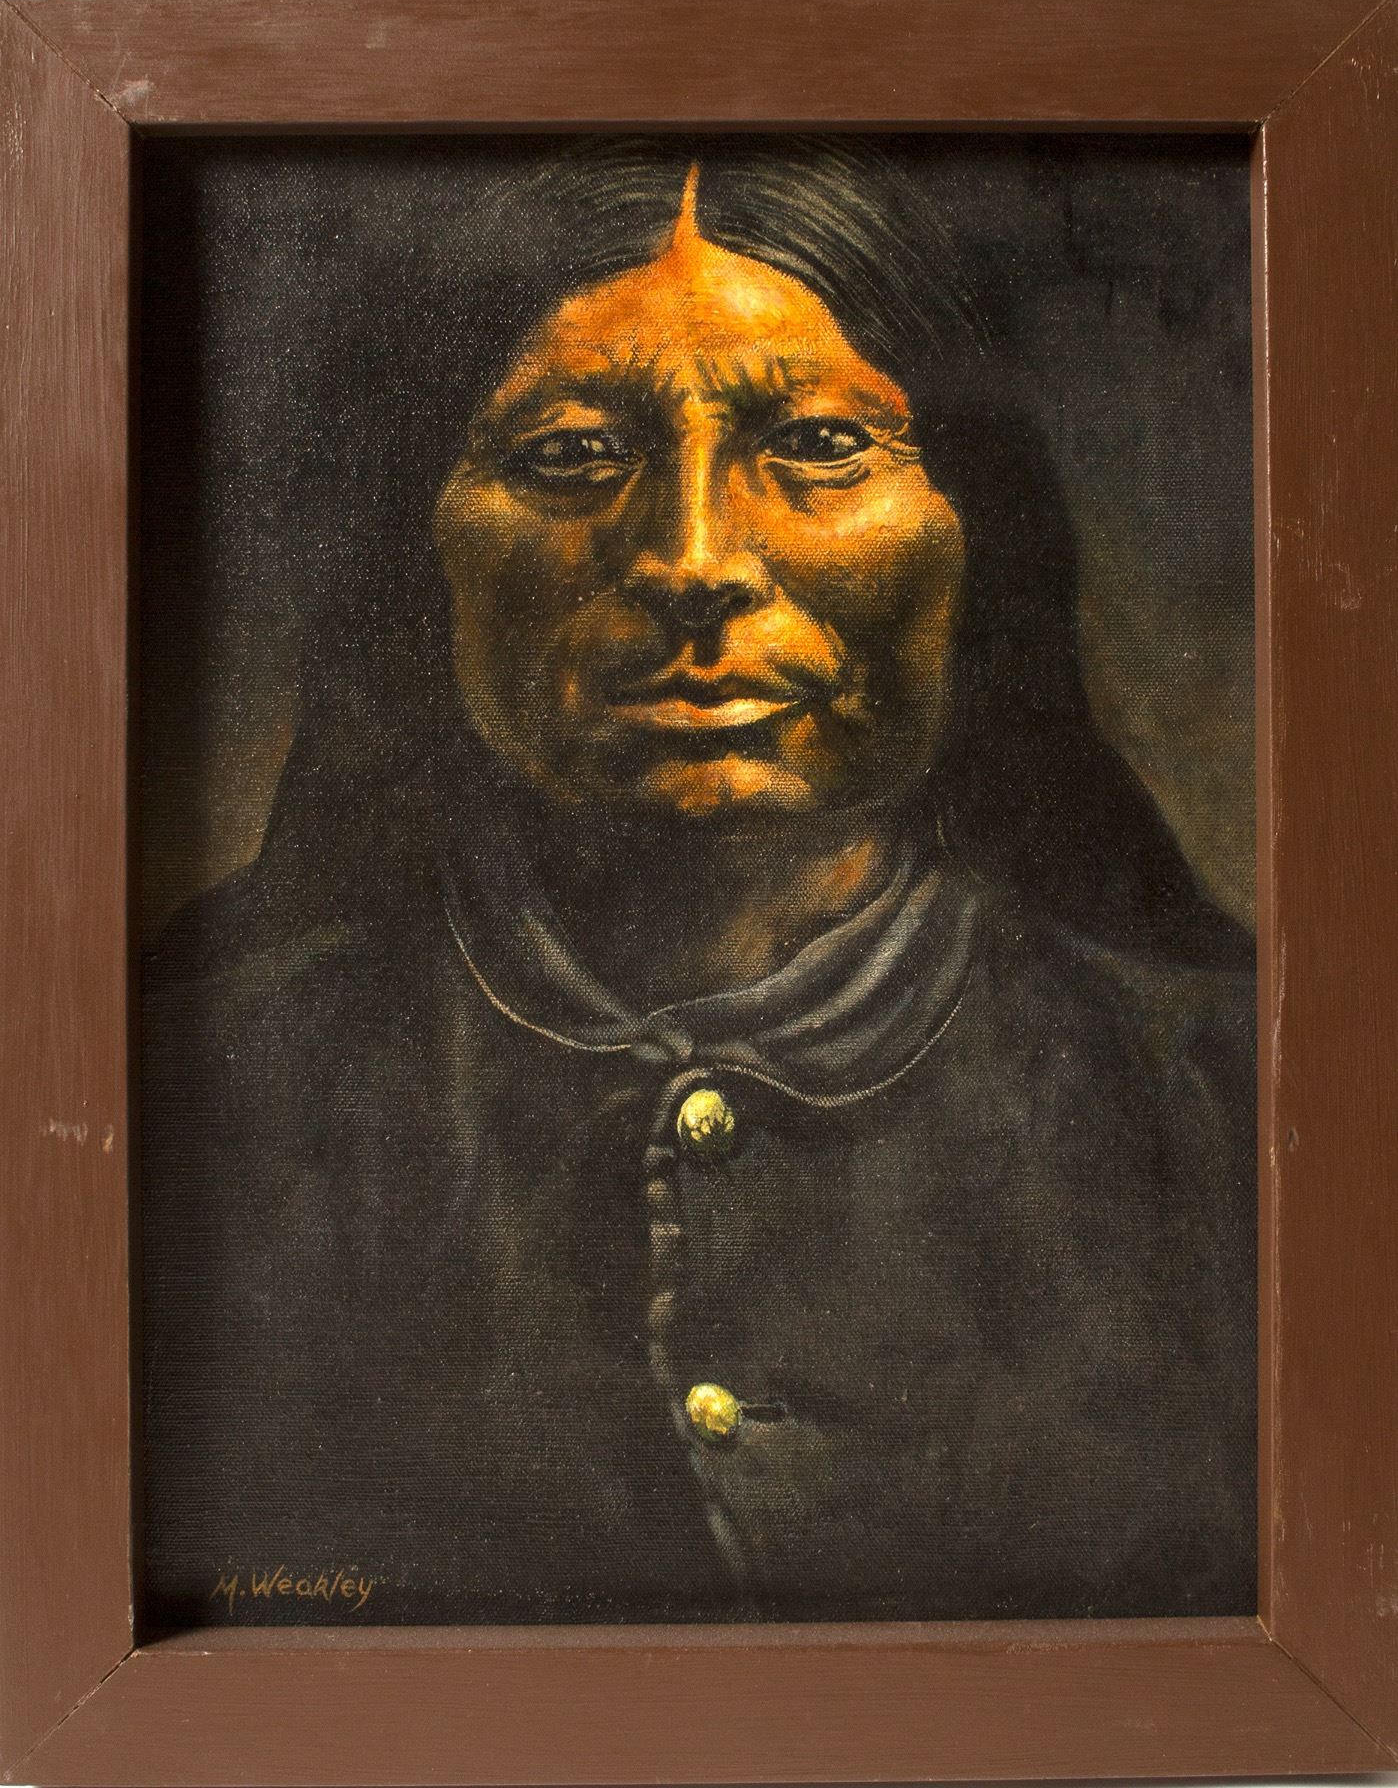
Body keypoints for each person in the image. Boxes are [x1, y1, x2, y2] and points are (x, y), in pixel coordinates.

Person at [141, 137, 1256, 1630]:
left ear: (978, 531)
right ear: (423, 553)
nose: (692, 559)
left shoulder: (1237, 1111)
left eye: (820, 444)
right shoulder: (187, 1098)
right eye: (567, 455)